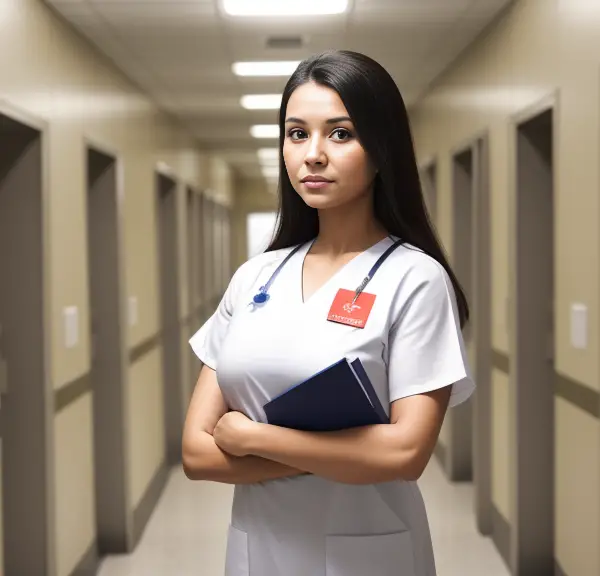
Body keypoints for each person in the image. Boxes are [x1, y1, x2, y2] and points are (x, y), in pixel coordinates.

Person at [182, 49, 475, 576]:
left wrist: (255, 439)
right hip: (259, 549)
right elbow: (198, 455)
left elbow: (406, 454)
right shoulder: (255, 277)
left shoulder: (415, 278)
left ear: (381, 148)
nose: (313, 154)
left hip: (369, 554)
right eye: (297, 134)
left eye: (340, 134)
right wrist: (346, 456)